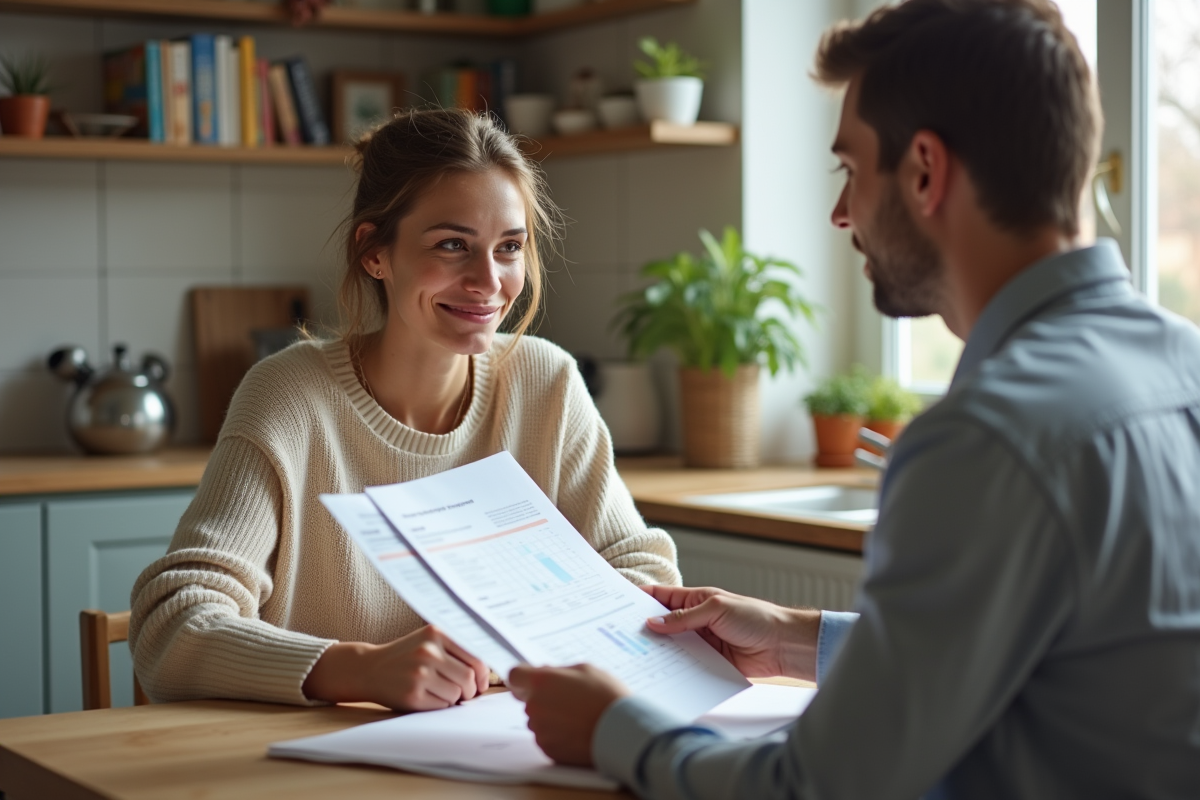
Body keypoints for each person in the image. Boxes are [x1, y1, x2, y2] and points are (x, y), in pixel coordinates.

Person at [508, 0, 1200, 796]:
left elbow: (818, 788)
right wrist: (797, 639)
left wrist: (614, 732)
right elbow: (1071, 663)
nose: (840, 213)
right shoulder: (1181, 362)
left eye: (850, 169)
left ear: (926, 171)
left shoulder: (988, 435)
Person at [128, 108, 681, 713]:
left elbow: (641, 571)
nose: (488, 281)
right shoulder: (288, 398)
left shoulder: (547, 382)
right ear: (374, 253)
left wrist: (502, 654)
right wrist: (359, 669)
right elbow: (172, 626)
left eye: (510, 247)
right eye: (452, 245)